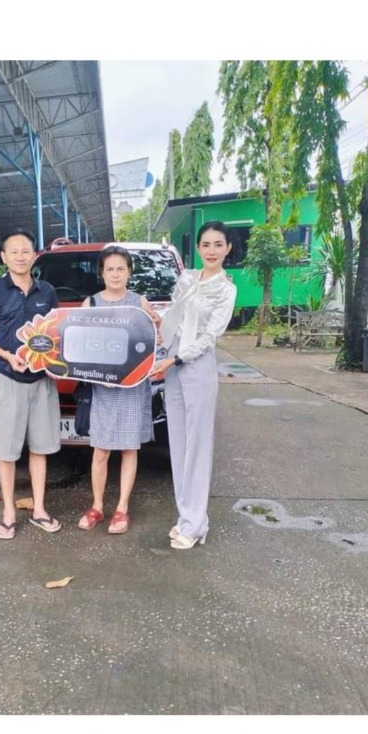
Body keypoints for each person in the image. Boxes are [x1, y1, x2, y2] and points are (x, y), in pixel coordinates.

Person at [151, 221, 236, 551]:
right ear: (198, 248)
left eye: (218, 244)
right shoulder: (186, 279)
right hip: (172, 367)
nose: (212, 251)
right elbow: (174, 320)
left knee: (198, 446)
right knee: (179, 444)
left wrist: (176, 359)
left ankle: (196, 523)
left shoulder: (226, 290)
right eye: (206, 244)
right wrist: (157, 326)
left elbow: (210, 336)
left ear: (228, 248)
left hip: (196, 367)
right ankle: (187, 518)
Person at [0, 229, 62, 540]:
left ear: (35, 255)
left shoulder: (47, 291)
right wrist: (7, 356)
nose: (21, 257)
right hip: (8, 379)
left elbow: (55, 333)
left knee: (40, 448)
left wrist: (54, 362)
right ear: (4, 257)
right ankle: (9, 512)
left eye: (26, 251)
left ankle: (39, 509)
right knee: (7, 452)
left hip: (41, 380)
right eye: (14, 252)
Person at [77, 245, 159, 535]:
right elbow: (78, 346)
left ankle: (122, 508)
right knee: (100, 450)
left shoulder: (139, 303)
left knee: (128, 448)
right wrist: (97, 374)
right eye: (109, 269)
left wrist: (158, 325)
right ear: (101, 272)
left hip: (132, 387)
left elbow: (152, 342)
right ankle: (97, 506)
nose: (115, 274)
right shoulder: (90, 304)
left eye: (120, 268)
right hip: (103, 388)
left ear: (129, 272)